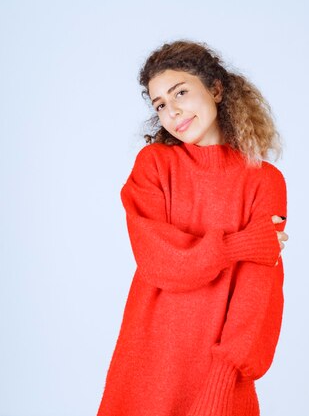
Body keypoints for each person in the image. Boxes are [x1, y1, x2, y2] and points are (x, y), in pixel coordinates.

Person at [97, 39, 289, 416]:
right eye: (161, 105)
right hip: (147, 364)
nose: (173, 111)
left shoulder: (265, 182)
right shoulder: (153, 165)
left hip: (219, 372)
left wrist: (222, 379)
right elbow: (159, 261)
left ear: (215, 90)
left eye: (180, 92)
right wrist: (241, 245)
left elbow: (259, 294)